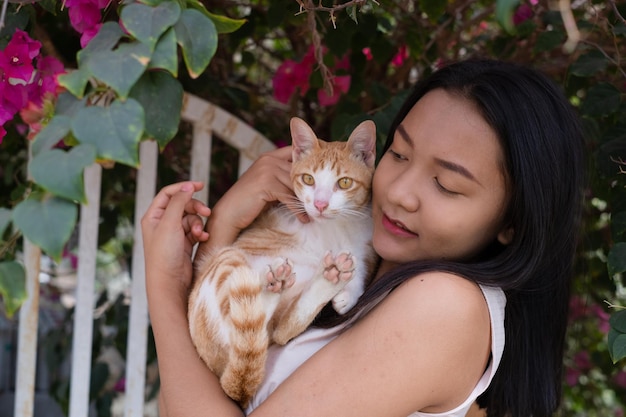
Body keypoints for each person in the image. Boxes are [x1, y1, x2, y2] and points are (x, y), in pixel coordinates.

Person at [141, 58, 585, 417]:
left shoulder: (445, 306)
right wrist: (220, 232)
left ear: (513, 222)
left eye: (446, 185)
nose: (398, 192)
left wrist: (164, 285)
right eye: (398, 153)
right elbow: (189, 395)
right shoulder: (360, 272)